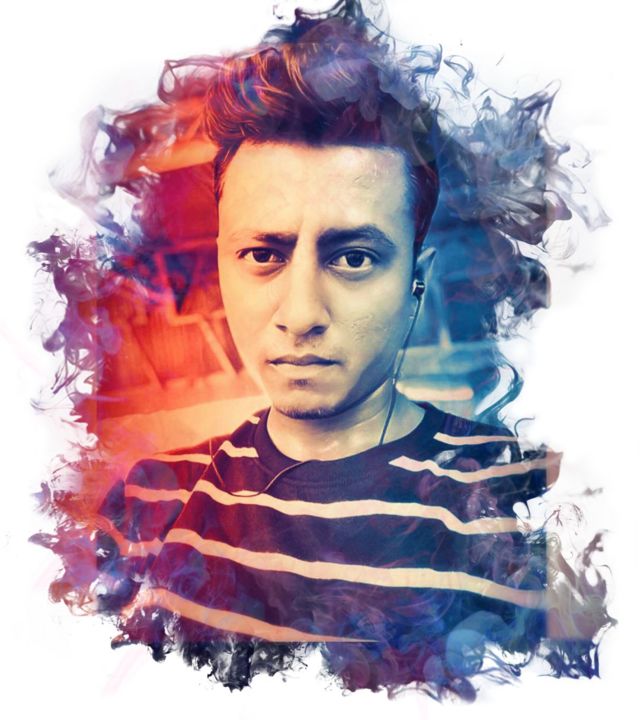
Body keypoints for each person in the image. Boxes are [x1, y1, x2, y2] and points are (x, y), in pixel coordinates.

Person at [91, 1, 555, 698]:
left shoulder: (521, 503)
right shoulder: (146, 504)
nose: (302, 314)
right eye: (262, 255)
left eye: (355, 258)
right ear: (223, 270)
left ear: (417, 282)